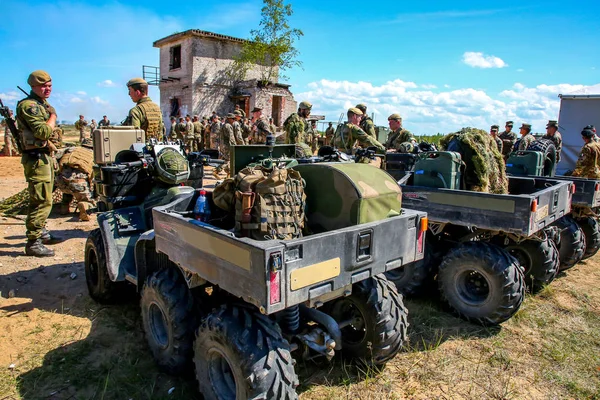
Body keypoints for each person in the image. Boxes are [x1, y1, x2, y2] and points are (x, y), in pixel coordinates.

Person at [16, 70, 64, 257]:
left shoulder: (40, 105)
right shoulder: (30, 106)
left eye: (49, 86)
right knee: (41, 200)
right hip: (36, 158)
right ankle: (33, 242)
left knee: (45, 196)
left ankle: (41, 233)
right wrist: (53, 116)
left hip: (43, 157)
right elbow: (43, 132)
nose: (47, 89)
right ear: (33, 87)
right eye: (43, 86)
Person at [56, 138, 95, 221]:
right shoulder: (94, 154)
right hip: (78, 183)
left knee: (69, 190)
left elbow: (56, 155)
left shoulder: (71, 150)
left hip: (60, 181)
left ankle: (64, 207)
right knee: (87, 199)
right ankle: (85, 206)